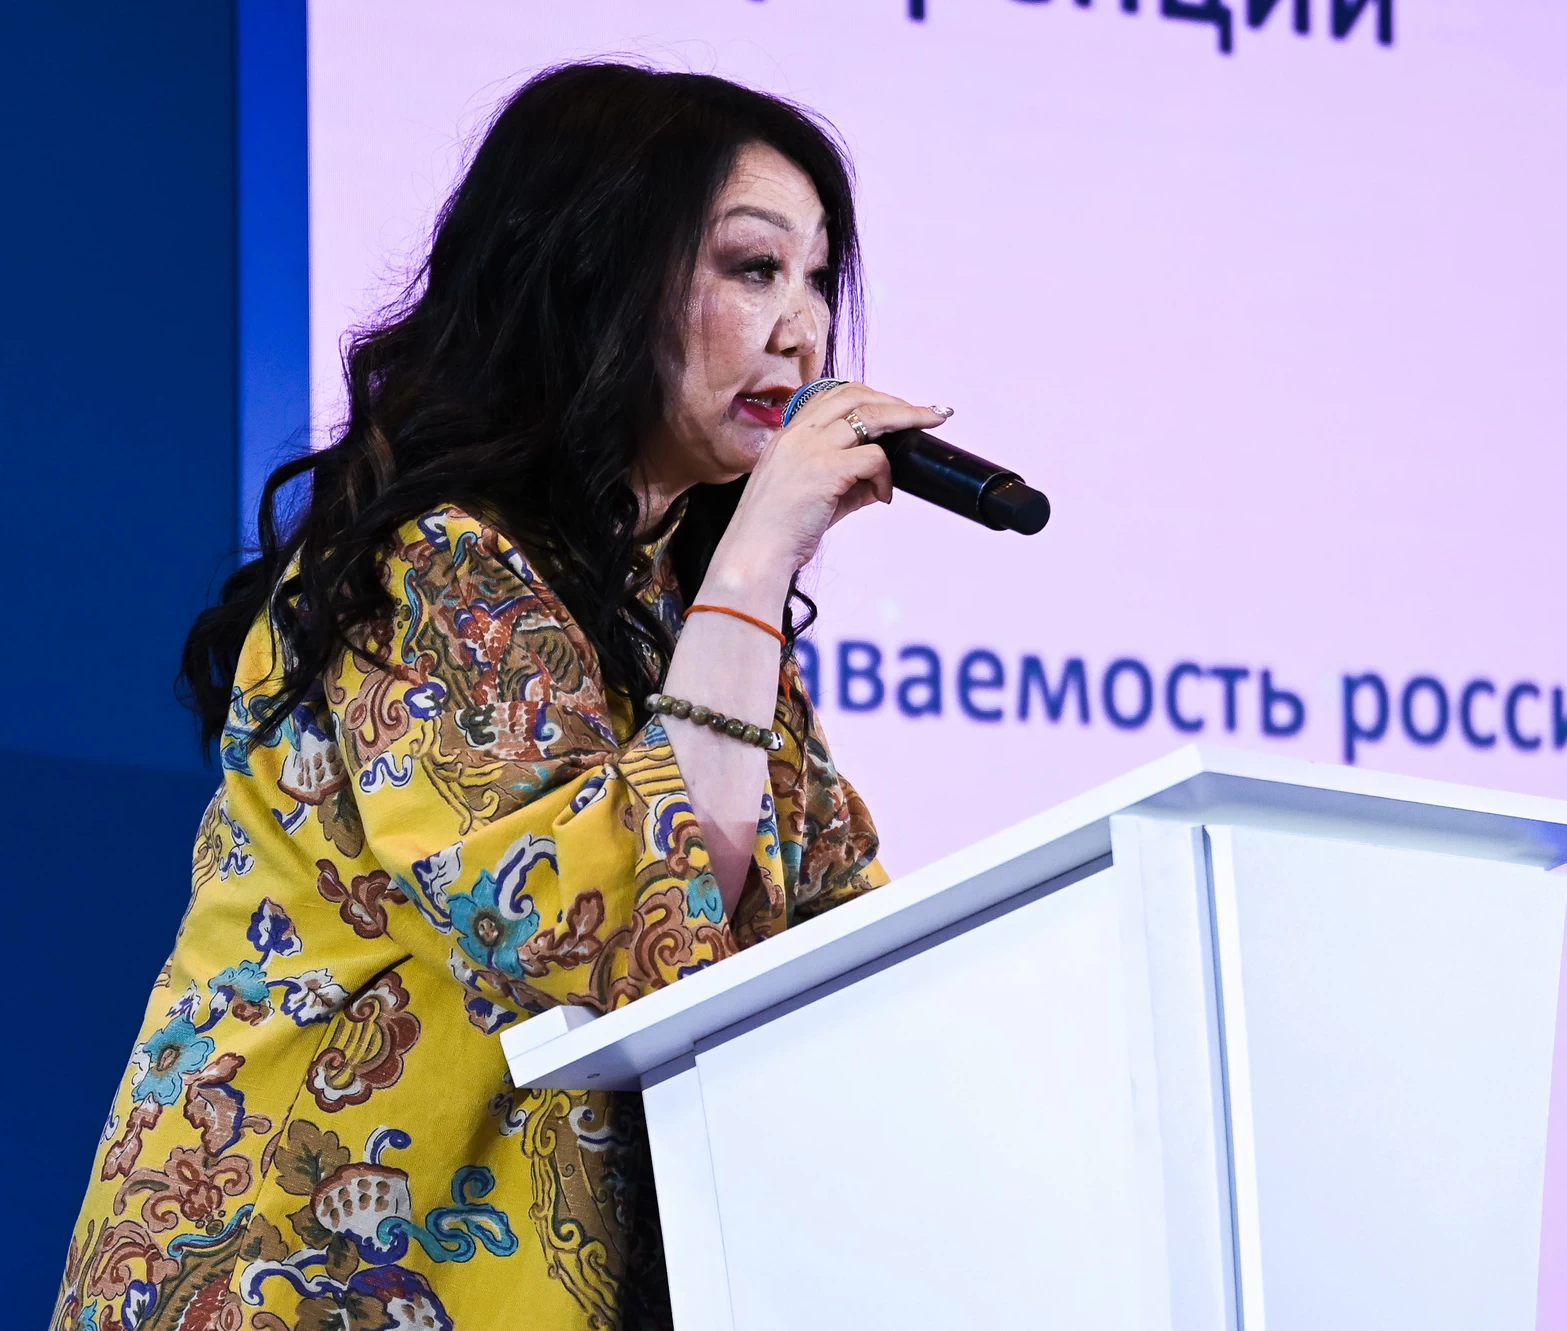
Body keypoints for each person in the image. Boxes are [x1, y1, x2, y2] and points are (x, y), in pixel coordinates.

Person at [54, 63, 944, 1331]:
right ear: (594, 272)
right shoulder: (428, 563)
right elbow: (607, 929)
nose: (801, 331)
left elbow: (845, 934)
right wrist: (758, 554)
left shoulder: (679, 618)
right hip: (298, 1281)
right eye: (754, 268)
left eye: (816, 279)